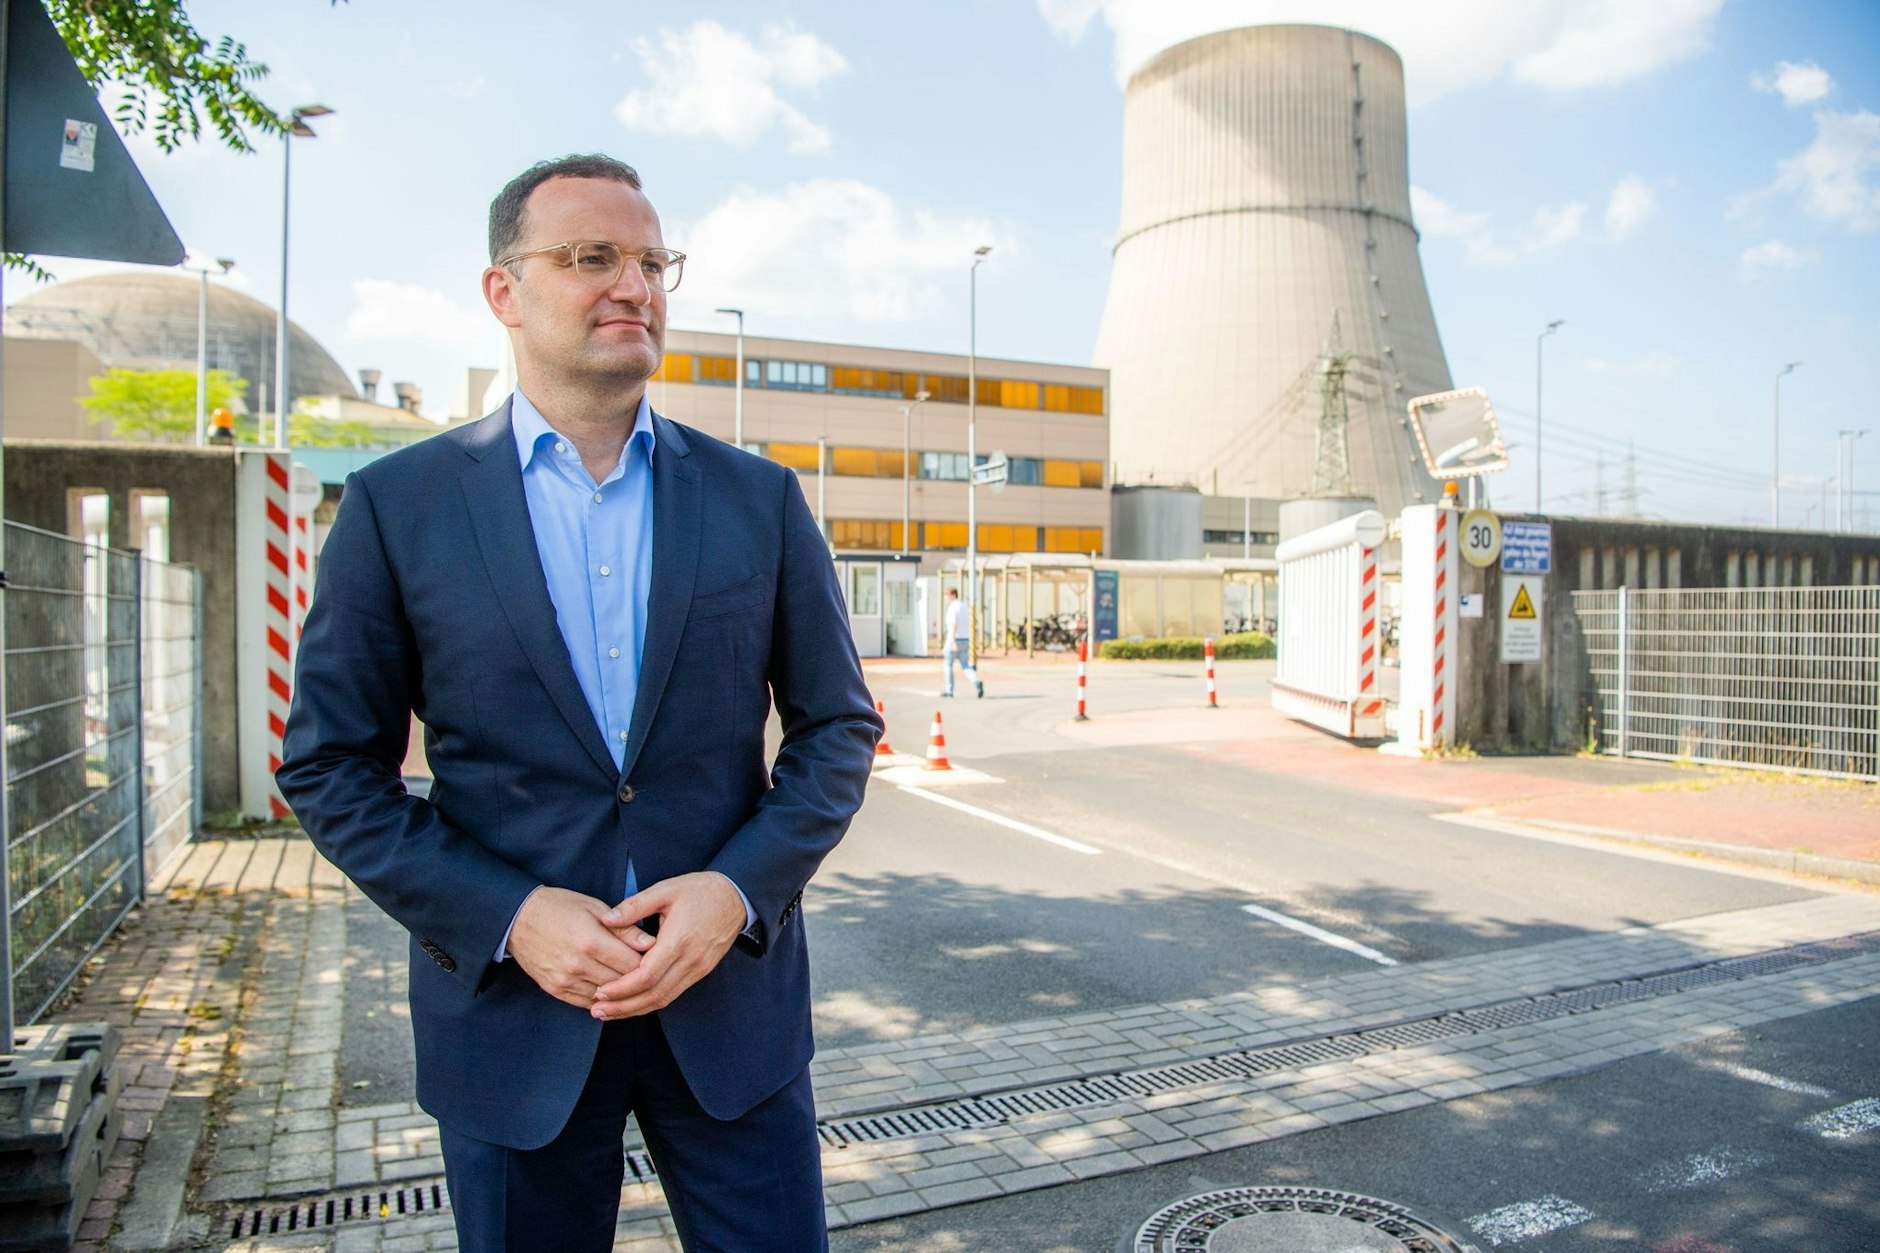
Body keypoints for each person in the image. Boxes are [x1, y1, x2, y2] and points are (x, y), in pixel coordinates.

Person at [277, 154, 881, 1253]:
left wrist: (738, 891)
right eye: (590, 256)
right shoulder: (396, 508)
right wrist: (507, 914)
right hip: (512, 1021)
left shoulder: (757, 498)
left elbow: (838, 726)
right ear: (503, 290)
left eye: (653, 262)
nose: (633, 285)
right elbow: (327, 766)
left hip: (727, 1010)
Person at [942, 587, 983, 698]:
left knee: (948, 665)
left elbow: (953, 624)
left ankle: (949, 690)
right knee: (965, 665)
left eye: (946, 595)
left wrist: (952, 641)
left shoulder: (953, 607)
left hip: (954, 639)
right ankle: (976, 681)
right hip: (965, 639)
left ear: (952, 595)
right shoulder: (964, 606)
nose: (945, 598)